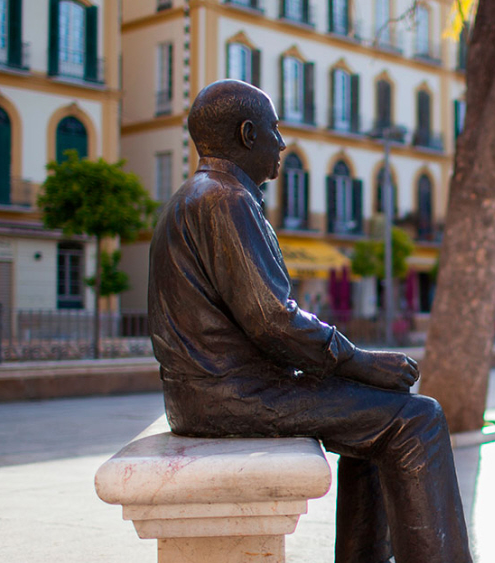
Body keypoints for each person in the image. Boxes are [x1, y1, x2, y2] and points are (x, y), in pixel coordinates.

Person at [148, 80, 472, 563]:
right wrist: (359, 361)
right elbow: (272, 320)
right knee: (418, 419)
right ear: (248, 134)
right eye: (274, 129)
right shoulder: (224, 199)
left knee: (382, 414)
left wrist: (355, 369)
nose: (281, 143)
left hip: (210, 392)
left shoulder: (201, 196)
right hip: (229, 396)